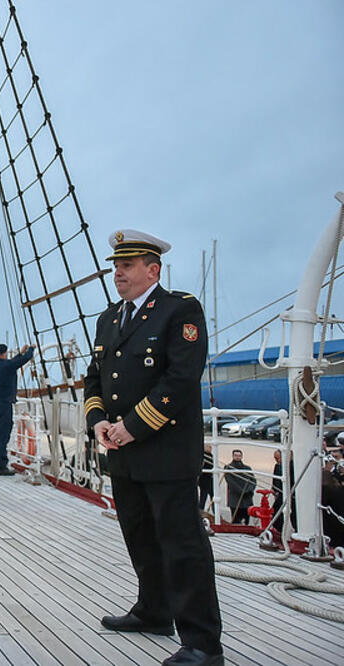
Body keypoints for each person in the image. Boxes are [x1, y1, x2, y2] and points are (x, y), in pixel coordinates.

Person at [83, 229, 223, 666]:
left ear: (152, 269)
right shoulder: (110, 318)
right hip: (123, 452)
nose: (118, 273)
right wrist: (99, 420)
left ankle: (202, 643)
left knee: (182, 546)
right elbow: (94, 379)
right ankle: (154, 610)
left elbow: (180, 380)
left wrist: (132, 427)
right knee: (139, 537)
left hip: (165, 451)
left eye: (126, 266)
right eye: (116, 267)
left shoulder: (180, 310)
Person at [0, 343, 35, 475]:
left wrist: (20, 353)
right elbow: (23, 360)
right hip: (4, 403)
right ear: (4, 353)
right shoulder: (7, 366)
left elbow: (13, 362)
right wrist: (31, 349)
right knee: (3, 434)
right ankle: (1, 466)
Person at [223, 449, 256, 525]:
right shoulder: (228, 468)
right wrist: (241, 491)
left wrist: (249, 490)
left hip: (247, 498)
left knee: (246, 520)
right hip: (235, 498)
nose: (237, 457)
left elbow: (253, 481)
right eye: (236, 455)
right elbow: (230, 481)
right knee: (236, 520)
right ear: (233, 456)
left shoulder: (247, 468)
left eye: (239, 456)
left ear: (242, 457)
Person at [270, 448, 296, 533]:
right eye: (275, 459)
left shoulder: (293, 466)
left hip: (290, 494)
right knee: (276, 512)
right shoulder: (278, 465)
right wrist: (274, 489)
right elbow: (275, 478)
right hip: (281, 492)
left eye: (278, 458)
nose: (277, 461)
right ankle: (279, 531)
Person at [198, 443, 214, 512]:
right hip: (203, 480)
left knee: (213, 496)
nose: (210, 448)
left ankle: (215, 511)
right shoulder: (203, 456)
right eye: (209, 447)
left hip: (210, 479)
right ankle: (201, 510)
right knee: (203, 496)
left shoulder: (211, 456)